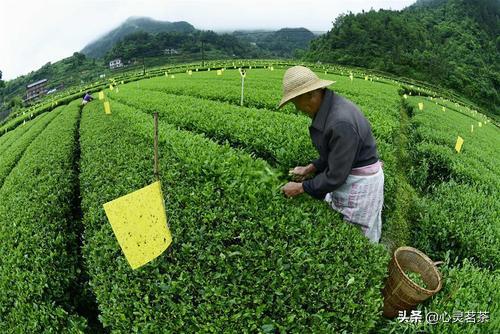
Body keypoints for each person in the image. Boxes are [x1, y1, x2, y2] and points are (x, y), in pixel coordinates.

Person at [279, 66, 384, 243]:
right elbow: (334, 154)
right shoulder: (331, 108)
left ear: (310, 95)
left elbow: (336, 176)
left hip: (360, 183)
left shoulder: (340, 122)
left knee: (357, 236)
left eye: (296, 103)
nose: (298, 109)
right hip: (350, 172)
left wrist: (300, 187)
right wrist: (309, 168)